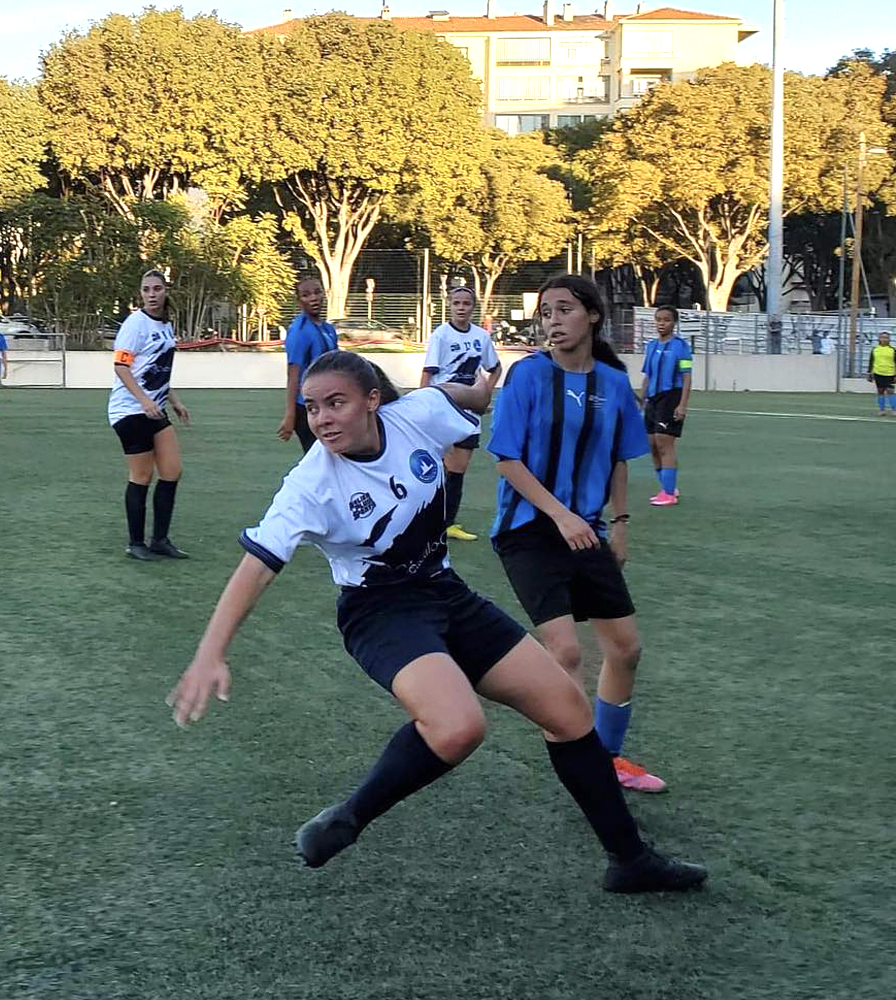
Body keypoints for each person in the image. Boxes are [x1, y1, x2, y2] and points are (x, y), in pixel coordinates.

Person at [168, 349, 706, 893]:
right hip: (379, 613)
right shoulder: (311, 485)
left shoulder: (415, 415)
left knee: (568, 712)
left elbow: (458, 397)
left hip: (445, 593)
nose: (322, 418)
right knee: (458, 727)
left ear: (373, 400)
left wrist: (479, 389)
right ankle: (349, 818)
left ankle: (630, 860)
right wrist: (211, 651)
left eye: (336, 403)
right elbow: (256, 568)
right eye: (312, 408)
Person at [488, 274, 666, 793]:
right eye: (546, 313)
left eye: (563, 310)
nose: (552, 321)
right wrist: (561, 516)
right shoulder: (526, 376)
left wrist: (622, 524)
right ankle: (580, 763)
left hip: (588, 530)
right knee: (564, 651)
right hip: (529, 530)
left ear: (591, 315)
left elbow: (617, 460)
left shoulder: (612, 383)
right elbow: (507, 460)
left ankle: (607, 758)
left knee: (626, 649)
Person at [109, 269, 191, 561]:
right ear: (141, 294)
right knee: (142, 475)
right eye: (146, 290)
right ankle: (136, 543)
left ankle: (160, 540)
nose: (152, 294)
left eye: (157, 289)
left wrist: (176, 400)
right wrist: (144, 400)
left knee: (172, 471)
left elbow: (157, 371)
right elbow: (121, 367)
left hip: (154, 408)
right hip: (129, 410)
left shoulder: (166, 325)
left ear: (166, 290)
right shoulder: (135, 324)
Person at [420, 286, 502, 541]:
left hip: (469, 413)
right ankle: (427, 519)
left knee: (458, 468)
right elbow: (428, 372)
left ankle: (447, 523)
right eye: (456, 303)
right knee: (436, 465)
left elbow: (495, 368)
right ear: (449, 305)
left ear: (473, 306)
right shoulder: (441, 335)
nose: (461, 307)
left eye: (466, 303)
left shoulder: (481, 336)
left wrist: (484, 394)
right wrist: (421, 404)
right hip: (444, 407)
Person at [277, 275, 338, 452]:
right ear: (299, 301)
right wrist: (291, 415)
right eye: (306, 295)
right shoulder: (299, 331)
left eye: (317, 292)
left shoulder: (328, 329)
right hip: (308, 408)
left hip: (328, 403)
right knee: (320, 457)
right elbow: (293, 374)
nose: (313, 298)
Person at [640, 305, 693, 506]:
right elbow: (648, 375)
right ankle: (668, 487)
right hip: (653, 399)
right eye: (658, 319)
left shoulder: (680, 347)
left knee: (664, 443)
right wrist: (641, 398)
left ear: (674, 323)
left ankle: (669, 494)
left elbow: (687, 377)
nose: (661, 324)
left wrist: (682, 405)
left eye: (666, 320)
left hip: (671, 396)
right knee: (652, 444)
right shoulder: (651, 346)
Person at [867, 332, 896, 416]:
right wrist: (869, 373)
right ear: (879, 339)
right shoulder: (875, 349)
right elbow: (871, 362)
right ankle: (881, 410)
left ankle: (894, 410)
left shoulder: (892, 350)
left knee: (890, 391)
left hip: (890, 373)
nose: (884, 339)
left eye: (886, 338)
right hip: (878, 373)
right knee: (880, 391)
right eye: (882, 337)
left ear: (889, 339)